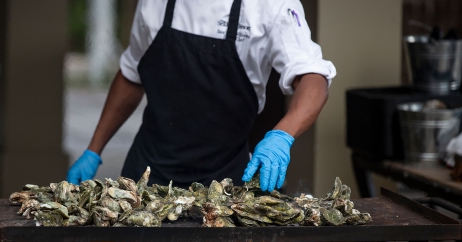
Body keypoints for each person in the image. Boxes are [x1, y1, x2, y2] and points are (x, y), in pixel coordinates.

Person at [67, 0, 336, 192]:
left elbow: (313, 77)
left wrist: (282, 135)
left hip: (227, 180)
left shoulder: (270, 6)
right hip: (147, 175)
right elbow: (131, 73)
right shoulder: (154, 3)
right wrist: (94, 148)